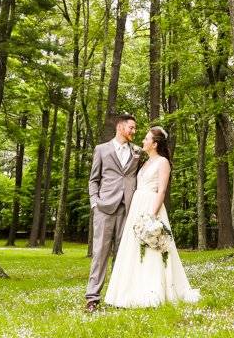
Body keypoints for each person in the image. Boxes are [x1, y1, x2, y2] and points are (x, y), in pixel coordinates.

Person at [104, 126, 200, 308]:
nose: (143, 141)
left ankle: (152, 293)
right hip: (137, 207)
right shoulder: (145, 162)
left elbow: (161, 190)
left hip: (151, 206)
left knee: (152, 249)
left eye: (146, 139)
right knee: (133, 248)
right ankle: (129, 291)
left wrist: (152, 217)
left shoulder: (162, 162)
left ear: (155, 144)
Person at [85, 114, 140, 312]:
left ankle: (119, 296)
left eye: (135, 128)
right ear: (120, 127)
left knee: (123, 254)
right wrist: (94, 203)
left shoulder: (137, 152)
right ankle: (92, 298)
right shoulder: (101, 149)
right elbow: (93, 179)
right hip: (104, 209)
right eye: (131, 128)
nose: (134, 131)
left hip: (128, 209)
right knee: (100, 253)